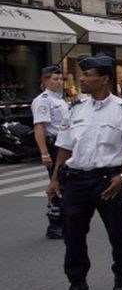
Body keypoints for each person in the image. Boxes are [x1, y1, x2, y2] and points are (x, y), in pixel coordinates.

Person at [46, 55, 122, 290]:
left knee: (118, 232)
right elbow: (64, 147)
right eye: (83, 74)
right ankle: (77, 283)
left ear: (104, 79)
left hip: (107, 181)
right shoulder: (76, 108)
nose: (82, 78)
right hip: (76, 182)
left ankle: (121, 277)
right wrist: (55, 178)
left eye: (88, 75)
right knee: (73, 235)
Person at [31, 65, 69, 239]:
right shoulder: (44, 100)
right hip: (54, 146)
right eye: (55, 79)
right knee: (57, 183)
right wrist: (44, 153)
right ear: (45, 80)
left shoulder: (59, 99)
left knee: (66, 183)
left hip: (64, 146)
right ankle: (55, 224)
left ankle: (64, 218)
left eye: (60, 79)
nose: (59, 82)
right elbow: (40, 127)